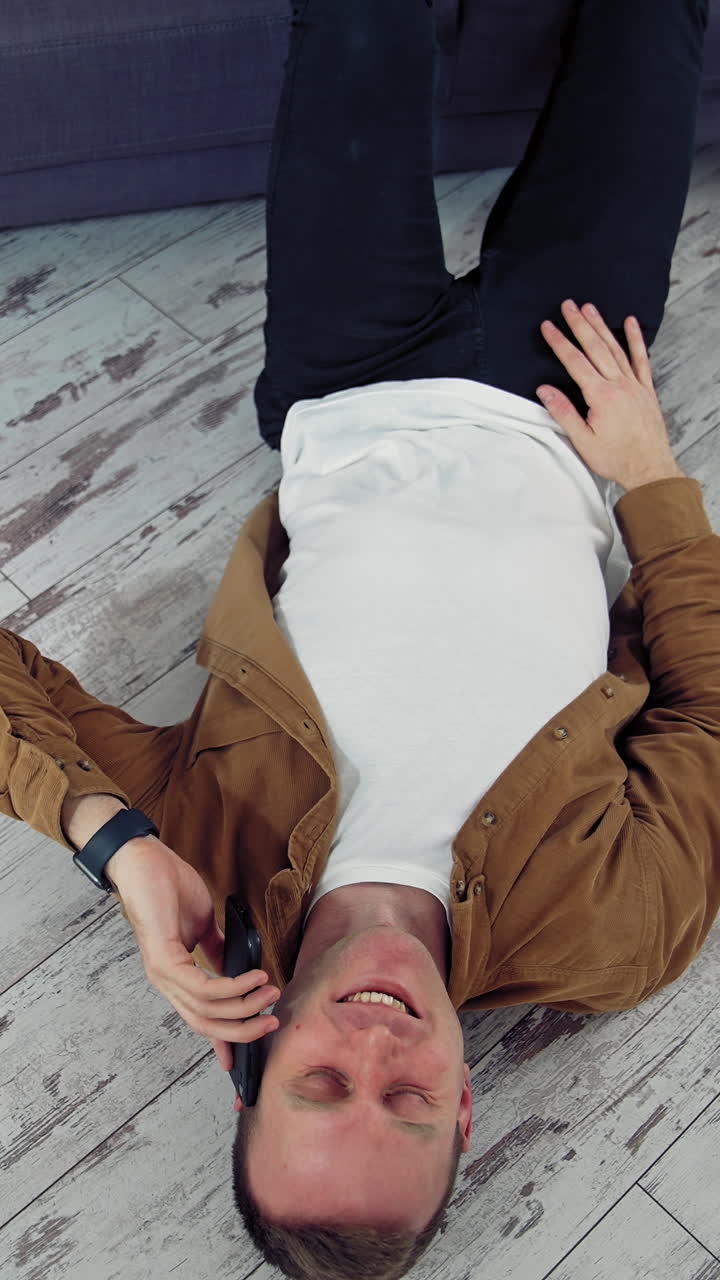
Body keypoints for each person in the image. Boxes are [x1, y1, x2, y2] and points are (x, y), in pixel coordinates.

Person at [0, 1, 716, 1279]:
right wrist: (652, 477)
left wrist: (110, 842)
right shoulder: (611, 936)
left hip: (347, 374)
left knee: (359, 18)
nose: (376, 1048)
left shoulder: (201, 852)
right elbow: (709, 712)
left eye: (323, 1082)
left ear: (252, 1061)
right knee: (653, 27)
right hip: (570, 398)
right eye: (410, 1100)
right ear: (468, 1105)